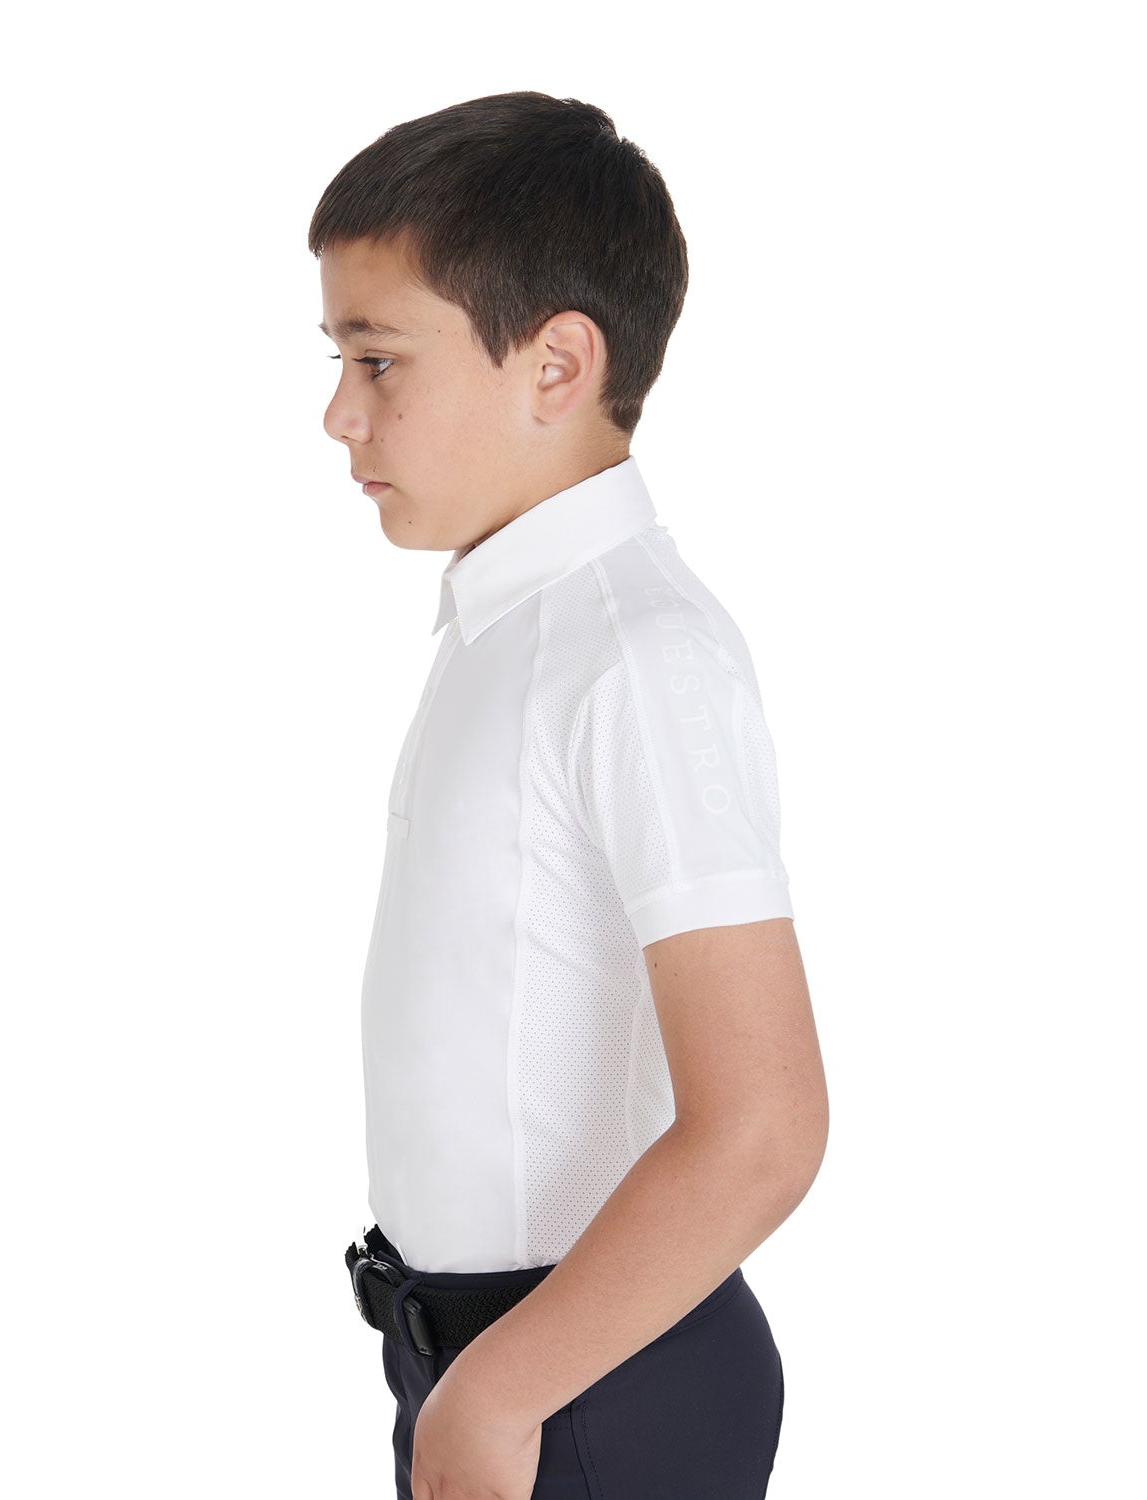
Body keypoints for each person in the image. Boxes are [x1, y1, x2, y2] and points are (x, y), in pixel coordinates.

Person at [310, 91, 828, 1500]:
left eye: (378, 358)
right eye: (336, 358)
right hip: (502, 1372)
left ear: (556, 364)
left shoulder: (636, 653)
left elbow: (765, 1126)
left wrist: (498, 1392)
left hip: (579, 1380)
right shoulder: (510, 628)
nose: (338, 413)